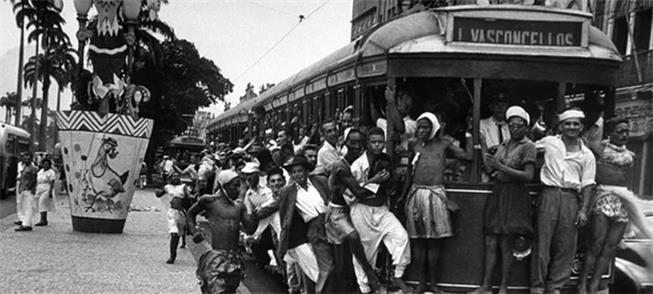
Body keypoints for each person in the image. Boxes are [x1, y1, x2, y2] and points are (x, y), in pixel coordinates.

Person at [577, 117, 653, 294]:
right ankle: (582, 283)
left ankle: (595, 283)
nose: (624, 135)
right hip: (603, 197)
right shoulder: (598, 149)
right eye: (620, 131)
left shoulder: (628, 155)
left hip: (623, 201)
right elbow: (583, 144)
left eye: (627, 131)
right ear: (610, 133)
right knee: (596, 244)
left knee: (610, 248)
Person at [401, 112, 472, 293]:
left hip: (435, 195)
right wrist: (403, 195)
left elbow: (468, 155)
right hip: (416, 194)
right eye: (419, 127)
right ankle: (421, 283)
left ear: (433, 128)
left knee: (433, 243)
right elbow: (408, 169)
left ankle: (433, 284)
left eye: (425, 127)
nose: (421, 131)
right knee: (418, 241)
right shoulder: (413, 144)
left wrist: (470, 134)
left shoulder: (444, 144)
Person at [531, 108, 595, 294]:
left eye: (575, 124)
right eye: (568, 123)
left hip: (570, 198)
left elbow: (588, 184)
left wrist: (583, 210)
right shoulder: (550, 143)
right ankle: (537, 287)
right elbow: (528, 149)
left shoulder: (587, 154)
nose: (571, 127)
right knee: (542, 242)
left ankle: (555, 287)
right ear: (561, 126)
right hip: (549, 195)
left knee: (566, 245)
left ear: (581, 127)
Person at [474, 106, 536, 294]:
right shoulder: (504, 144)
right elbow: (491, 168)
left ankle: (503, 287)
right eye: (512, 125)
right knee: (491, 241)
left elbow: (528, 175)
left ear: (526, 127)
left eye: (519, 126)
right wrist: (483, 143)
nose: (515, 129)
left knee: (506, 242)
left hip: (514, 195)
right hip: (499, 193)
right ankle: (486, 286)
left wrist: (501, 167)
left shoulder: (528, 146)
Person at [327, 128, 391, 293]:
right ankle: (369, 272)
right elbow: (359, 192)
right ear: (345, 143)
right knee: (351, 241)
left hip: (355, 209)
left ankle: (362, 283)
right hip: (339, 213)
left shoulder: (365, 162)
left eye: (360, 143)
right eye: (352, 142)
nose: (356, 146)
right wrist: (375, 180)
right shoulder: (341, 166)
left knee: (359, 250)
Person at [348, 127, 412, 294]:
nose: (377, 145)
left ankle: (398, 275)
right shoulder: (357, 165)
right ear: (367, 144)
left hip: (381, 210)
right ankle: (364, 288)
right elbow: (351, 194)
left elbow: (389, 187)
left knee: (401, 236)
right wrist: (373, 181)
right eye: (373, 142)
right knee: (365, 251)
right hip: (362, 210)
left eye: (380, 142)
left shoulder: (385, 160)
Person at [187, 169, 260, 294]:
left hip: (234, 259)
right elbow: (190, 213)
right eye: (235, 185)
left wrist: (256, 216)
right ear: (224, 186)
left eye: (239, 186)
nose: (239, 190)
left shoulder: (239, 206)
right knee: (216, 290)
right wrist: (194, 231)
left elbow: (250, 230)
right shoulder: (209, 201)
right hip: (216, 258)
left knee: (230, 291)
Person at [277, 155, 331, 294]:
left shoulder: (320, 181)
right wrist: (283, 245)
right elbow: (285, 218)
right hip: (314, 228)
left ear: (307, 171)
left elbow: (331, 199)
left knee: (341, 263)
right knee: (325, 268)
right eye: (293, 172)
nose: (297, 175)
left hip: (331, 222)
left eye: (300, 171)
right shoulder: (288, 192)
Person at [155, 172, 194, 264]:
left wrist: (192, 196)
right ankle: (172, 256)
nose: (175, 178)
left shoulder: (183, 187)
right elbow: (159, 194)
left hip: (182, 213)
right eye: (174, 176)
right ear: (171, 178)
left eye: (177, 176)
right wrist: (158, 191)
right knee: (174, 233)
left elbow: (189, 196)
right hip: (172, 212)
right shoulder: (167, 187)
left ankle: (183, 241)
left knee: (181, 231)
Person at [15, 153, 38, 232]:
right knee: (24, 207)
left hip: (28, 190)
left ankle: (26, 225)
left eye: (28, 159)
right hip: (23, 189)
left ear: (31, 159)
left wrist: (28, 188)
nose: (26, 160)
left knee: (28, 207)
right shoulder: (25, 167)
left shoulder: (33, 168)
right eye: (25, 159)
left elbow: (34, 179)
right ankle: (27, 223)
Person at [34, 158, 56, 226]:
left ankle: (42, 219)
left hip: (47, 188)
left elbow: (52, 182)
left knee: (42, 202)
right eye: (44, 164)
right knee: (41, 204)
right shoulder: (40, 171)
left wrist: (50, 192)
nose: (46, 165)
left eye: (47, 164)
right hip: (40, 188)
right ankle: (44, 220)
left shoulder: (51, 172)